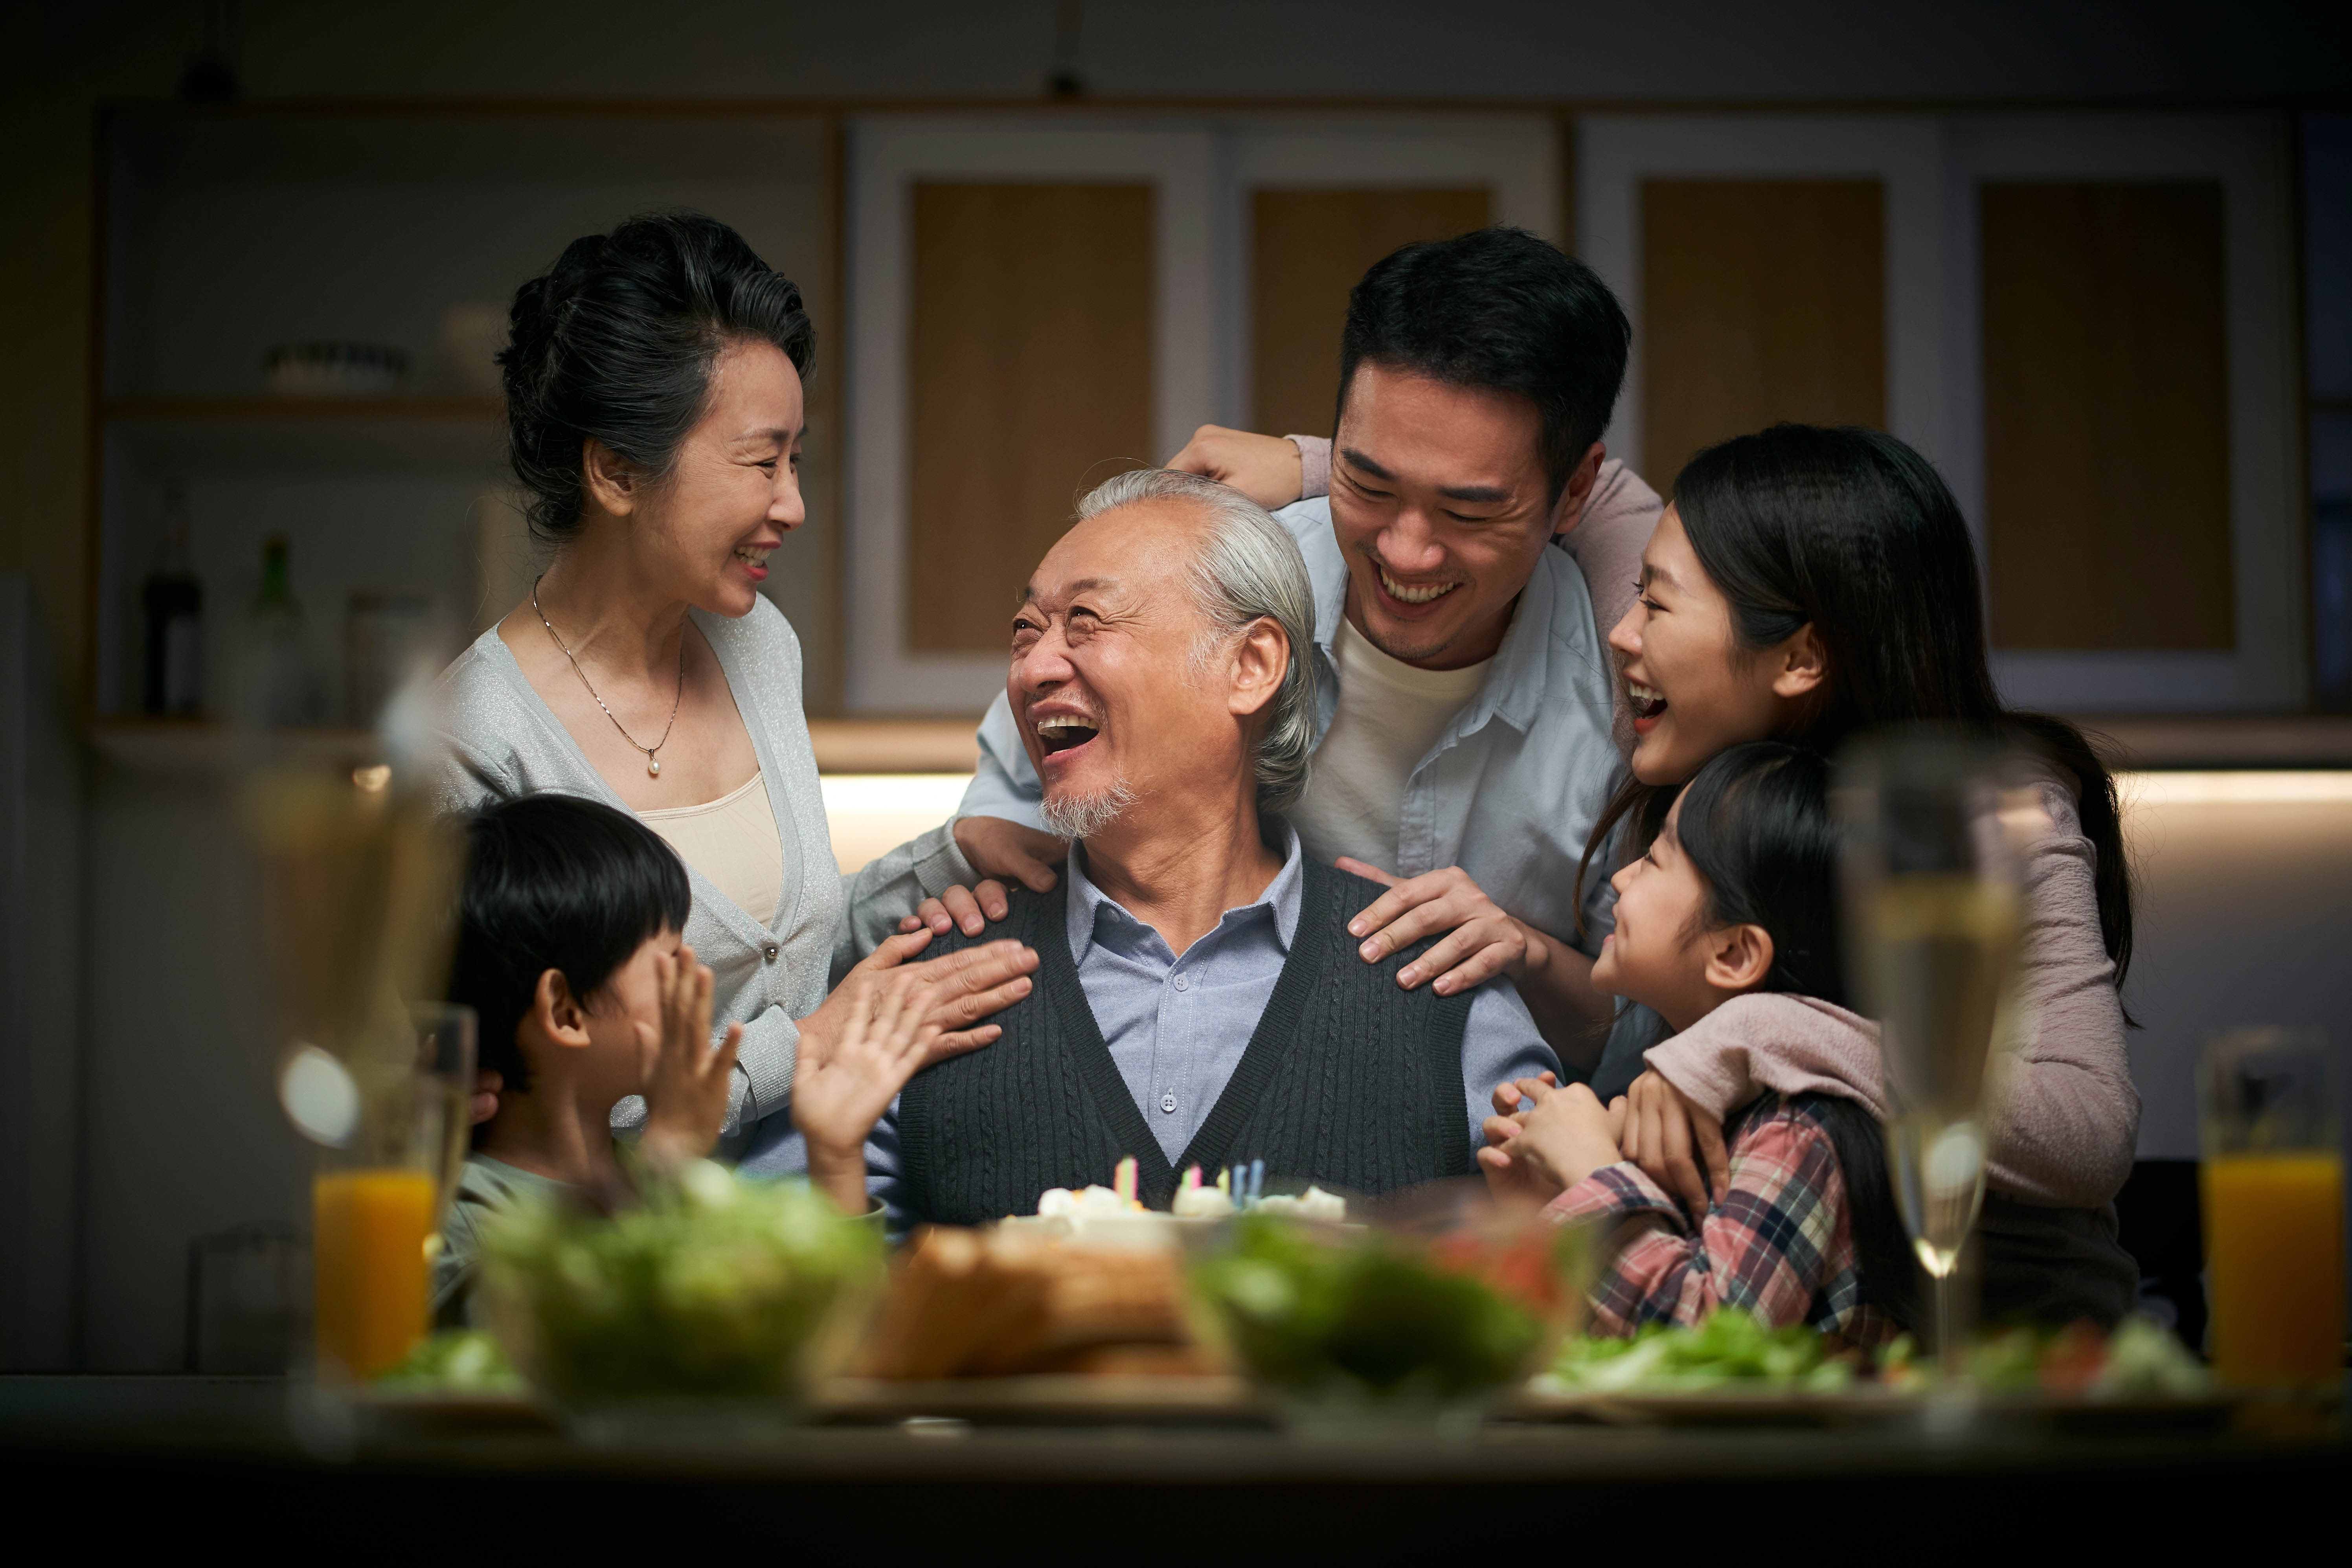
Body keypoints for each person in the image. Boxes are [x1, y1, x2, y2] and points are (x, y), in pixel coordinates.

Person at [939, 227, 1657, 1071]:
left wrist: (1524, 957)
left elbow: (1646, 1028)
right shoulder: (1210, 582)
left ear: (1575, 490)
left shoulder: (1632, 694)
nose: (1405, 553)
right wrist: (989, 842)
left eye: (1467, 514)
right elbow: (1015, 804)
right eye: (1367, 485)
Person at [430, 213, 1037, 1167]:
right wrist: (805, 1050)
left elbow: (771, 956)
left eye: (795, 461)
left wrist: (942, 860)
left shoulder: (759, 648)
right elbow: (507, 1112)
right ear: (617, 470)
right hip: (621, 1265)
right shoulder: (472, 740)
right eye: (762, 463)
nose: (792, 503)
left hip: (815, 1194)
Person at [849, 469, 1562, 1224]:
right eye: (1026, 631)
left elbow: (1563, 1281)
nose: (1033, 668)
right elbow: (807, 1307)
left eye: (1086, 620)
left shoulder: (1440, 981)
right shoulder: (927, 980)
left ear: (1250, 666)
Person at [1585, 425, 2141, 1324]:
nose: (1620, 632)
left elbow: (2086, 1131)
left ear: (1801, 658)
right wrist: (1309, 464)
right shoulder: (1725, 775)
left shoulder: (1996, 818)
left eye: (1654, 606)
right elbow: (1577, 485)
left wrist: (1757, 1031)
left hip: (2014, 1376)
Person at [432, 795, 952, 1324]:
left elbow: (826, 1342)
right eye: (667, 959)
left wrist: (836, 1154)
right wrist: (669, 1158)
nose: (695, 968)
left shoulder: (663, 1178)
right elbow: (597, 1372)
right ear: (565, 1011)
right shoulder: (459, 1229)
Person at [1481, 743, 1916, 1342]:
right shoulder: (1693, 1112)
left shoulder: (1798, 1131)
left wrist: (1590, 1173)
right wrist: (1546, 1208)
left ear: (1734, 953)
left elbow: (1712, 1346)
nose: (1622, 876)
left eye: (1657, 859)